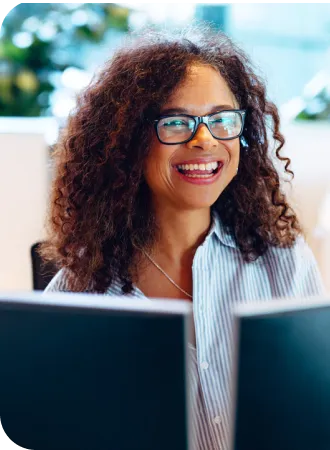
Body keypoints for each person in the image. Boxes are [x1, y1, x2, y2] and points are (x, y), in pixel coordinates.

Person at [41, 25, 325, 450]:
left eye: (221, 119)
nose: (205, 139)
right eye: (176, 122)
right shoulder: (78, 292)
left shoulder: (284, 261)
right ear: (128, 145)